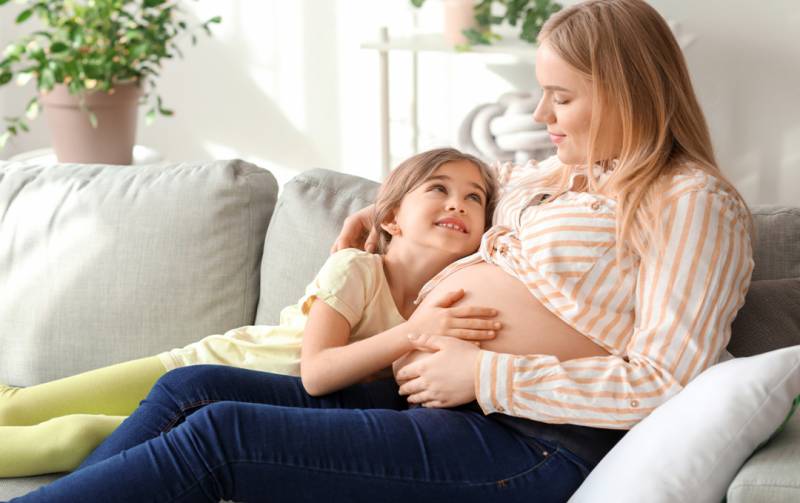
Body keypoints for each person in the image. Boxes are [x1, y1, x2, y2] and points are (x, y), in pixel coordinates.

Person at [5, 0, 755, 501]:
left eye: (561, 97)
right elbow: (458, 183)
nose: (539, 113)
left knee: (221, 437)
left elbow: (666, 380)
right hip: (433, 402)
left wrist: (486, 372)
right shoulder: (554, 175)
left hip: (531, 445)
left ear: (627, 91)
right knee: (192, 388)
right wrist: (377, 213)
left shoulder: (690, 202)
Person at [0, 147, 499, 478]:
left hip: (247, 419)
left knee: (77, 436)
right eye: (439, 189)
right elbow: (317, 373)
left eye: (473, 198)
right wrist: (413, 332)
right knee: (15, 406)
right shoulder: (356, 269)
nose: (458, 203)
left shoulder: (444, 304)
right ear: (390, 217)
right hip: (207, 368)